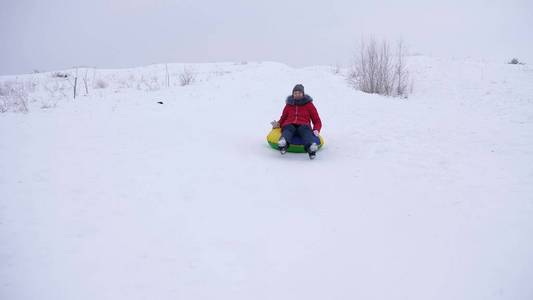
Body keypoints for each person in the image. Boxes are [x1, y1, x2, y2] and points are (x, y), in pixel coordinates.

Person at [271, 84, 322, 159]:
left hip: (304, 125)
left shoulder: (309, 105)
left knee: (306, 131)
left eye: (299, 93)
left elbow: (317, 120)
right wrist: (278, 123)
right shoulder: (289, 105)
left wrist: (316, 129)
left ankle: (311, 148)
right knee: (288, 129)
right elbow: (283, 117)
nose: (297, 95)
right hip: (289, 124)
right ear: (293, 94)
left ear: (303, 94)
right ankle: (283, 144)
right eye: (295, 93)